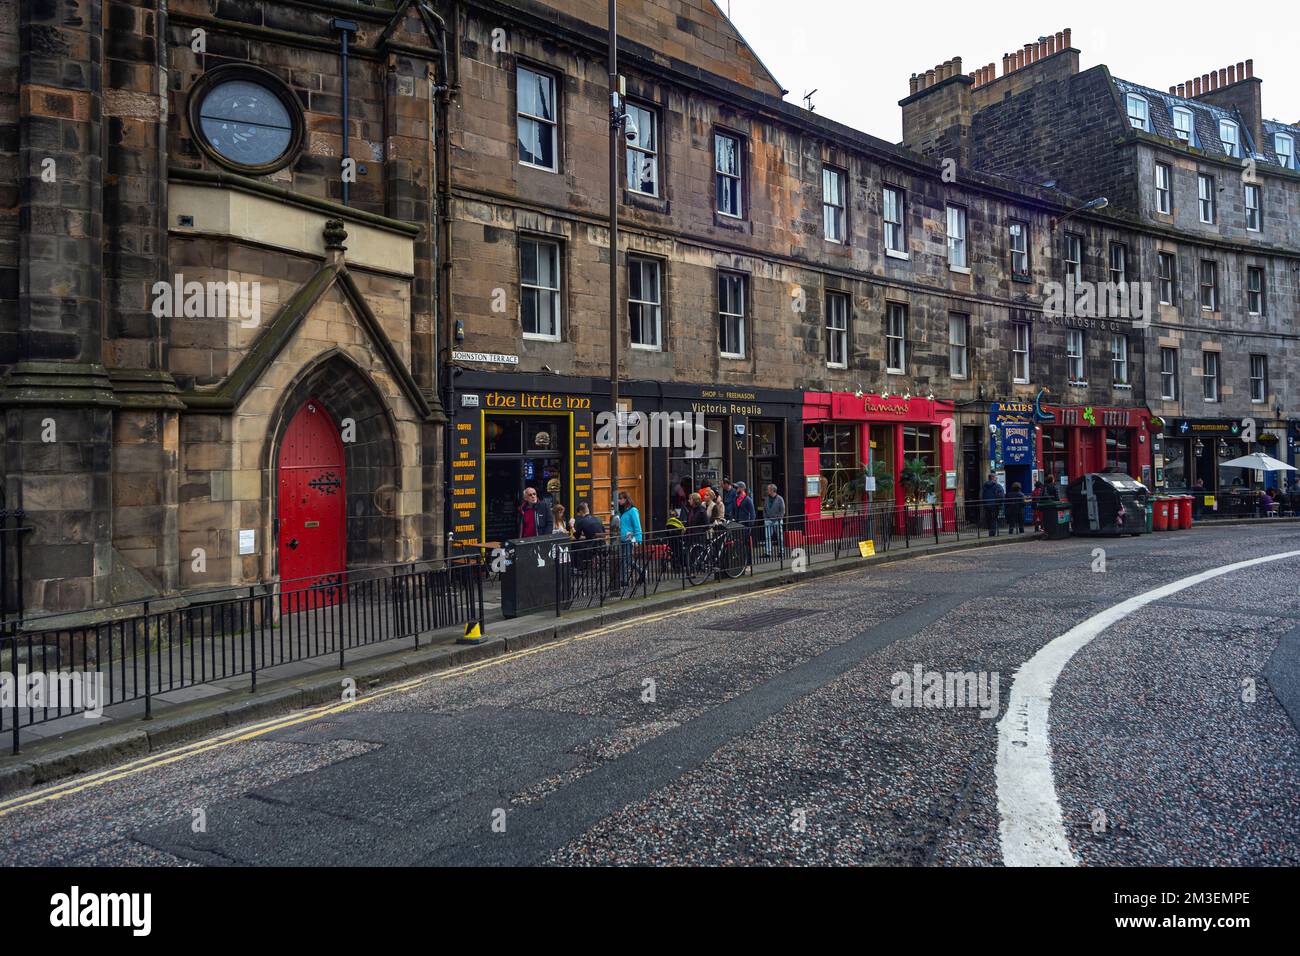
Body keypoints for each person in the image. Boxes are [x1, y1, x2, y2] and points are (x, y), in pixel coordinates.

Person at [617, 491, 642, 586]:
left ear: (625, 499)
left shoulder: (633, 510)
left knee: (626, 559)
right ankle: (624, 580)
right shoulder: (622, 511)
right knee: (623, 559)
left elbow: (637, 526)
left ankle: (641, 572)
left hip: (629, 539)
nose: (619, 500)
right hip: (622, 539)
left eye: (620, 499)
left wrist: (637, 540)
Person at [734, 481, 756, 569]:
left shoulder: (747, 499)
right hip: (737, 525)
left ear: (742, 489)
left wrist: (750, 525)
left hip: (745, 525)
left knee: (746, 545)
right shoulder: (736, 499)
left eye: (737, 488)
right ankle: (741, 562)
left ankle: (749, 565)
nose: (736, 489)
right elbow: (734, 511)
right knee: (739, 545)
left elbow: (753, 513)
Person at [764, 483, 786, 558]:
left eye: (768, 489)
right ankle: (768, 552)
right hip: (768, 520)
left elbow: (782, 510)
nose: (767, 490)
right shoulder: (767, 498)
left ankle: (781, 551)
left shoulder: (780, 499)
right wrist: (765, 517)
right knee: (767, 537)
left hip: (777, 520)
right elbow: (764, 508)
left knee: (780, 537)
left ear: (772, 490)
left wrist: (779, 518)